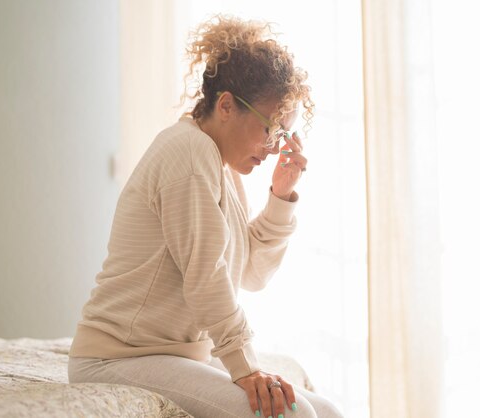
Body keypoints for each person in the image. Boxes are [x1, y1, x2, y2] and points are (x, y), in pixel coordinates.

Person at [67, 14, 343, 418]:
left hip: (176, 354)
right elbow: (207, 276)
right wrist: (247, 368)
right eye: (270, 128)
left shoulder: (223, 168)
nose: (273, 148)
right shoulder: (188, 153)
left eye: (283, 136)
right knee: (292, 413)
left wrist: (281, 196)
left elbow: (249, 273)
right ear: (227, 105)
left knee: (328, 411)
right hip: (116, 358)